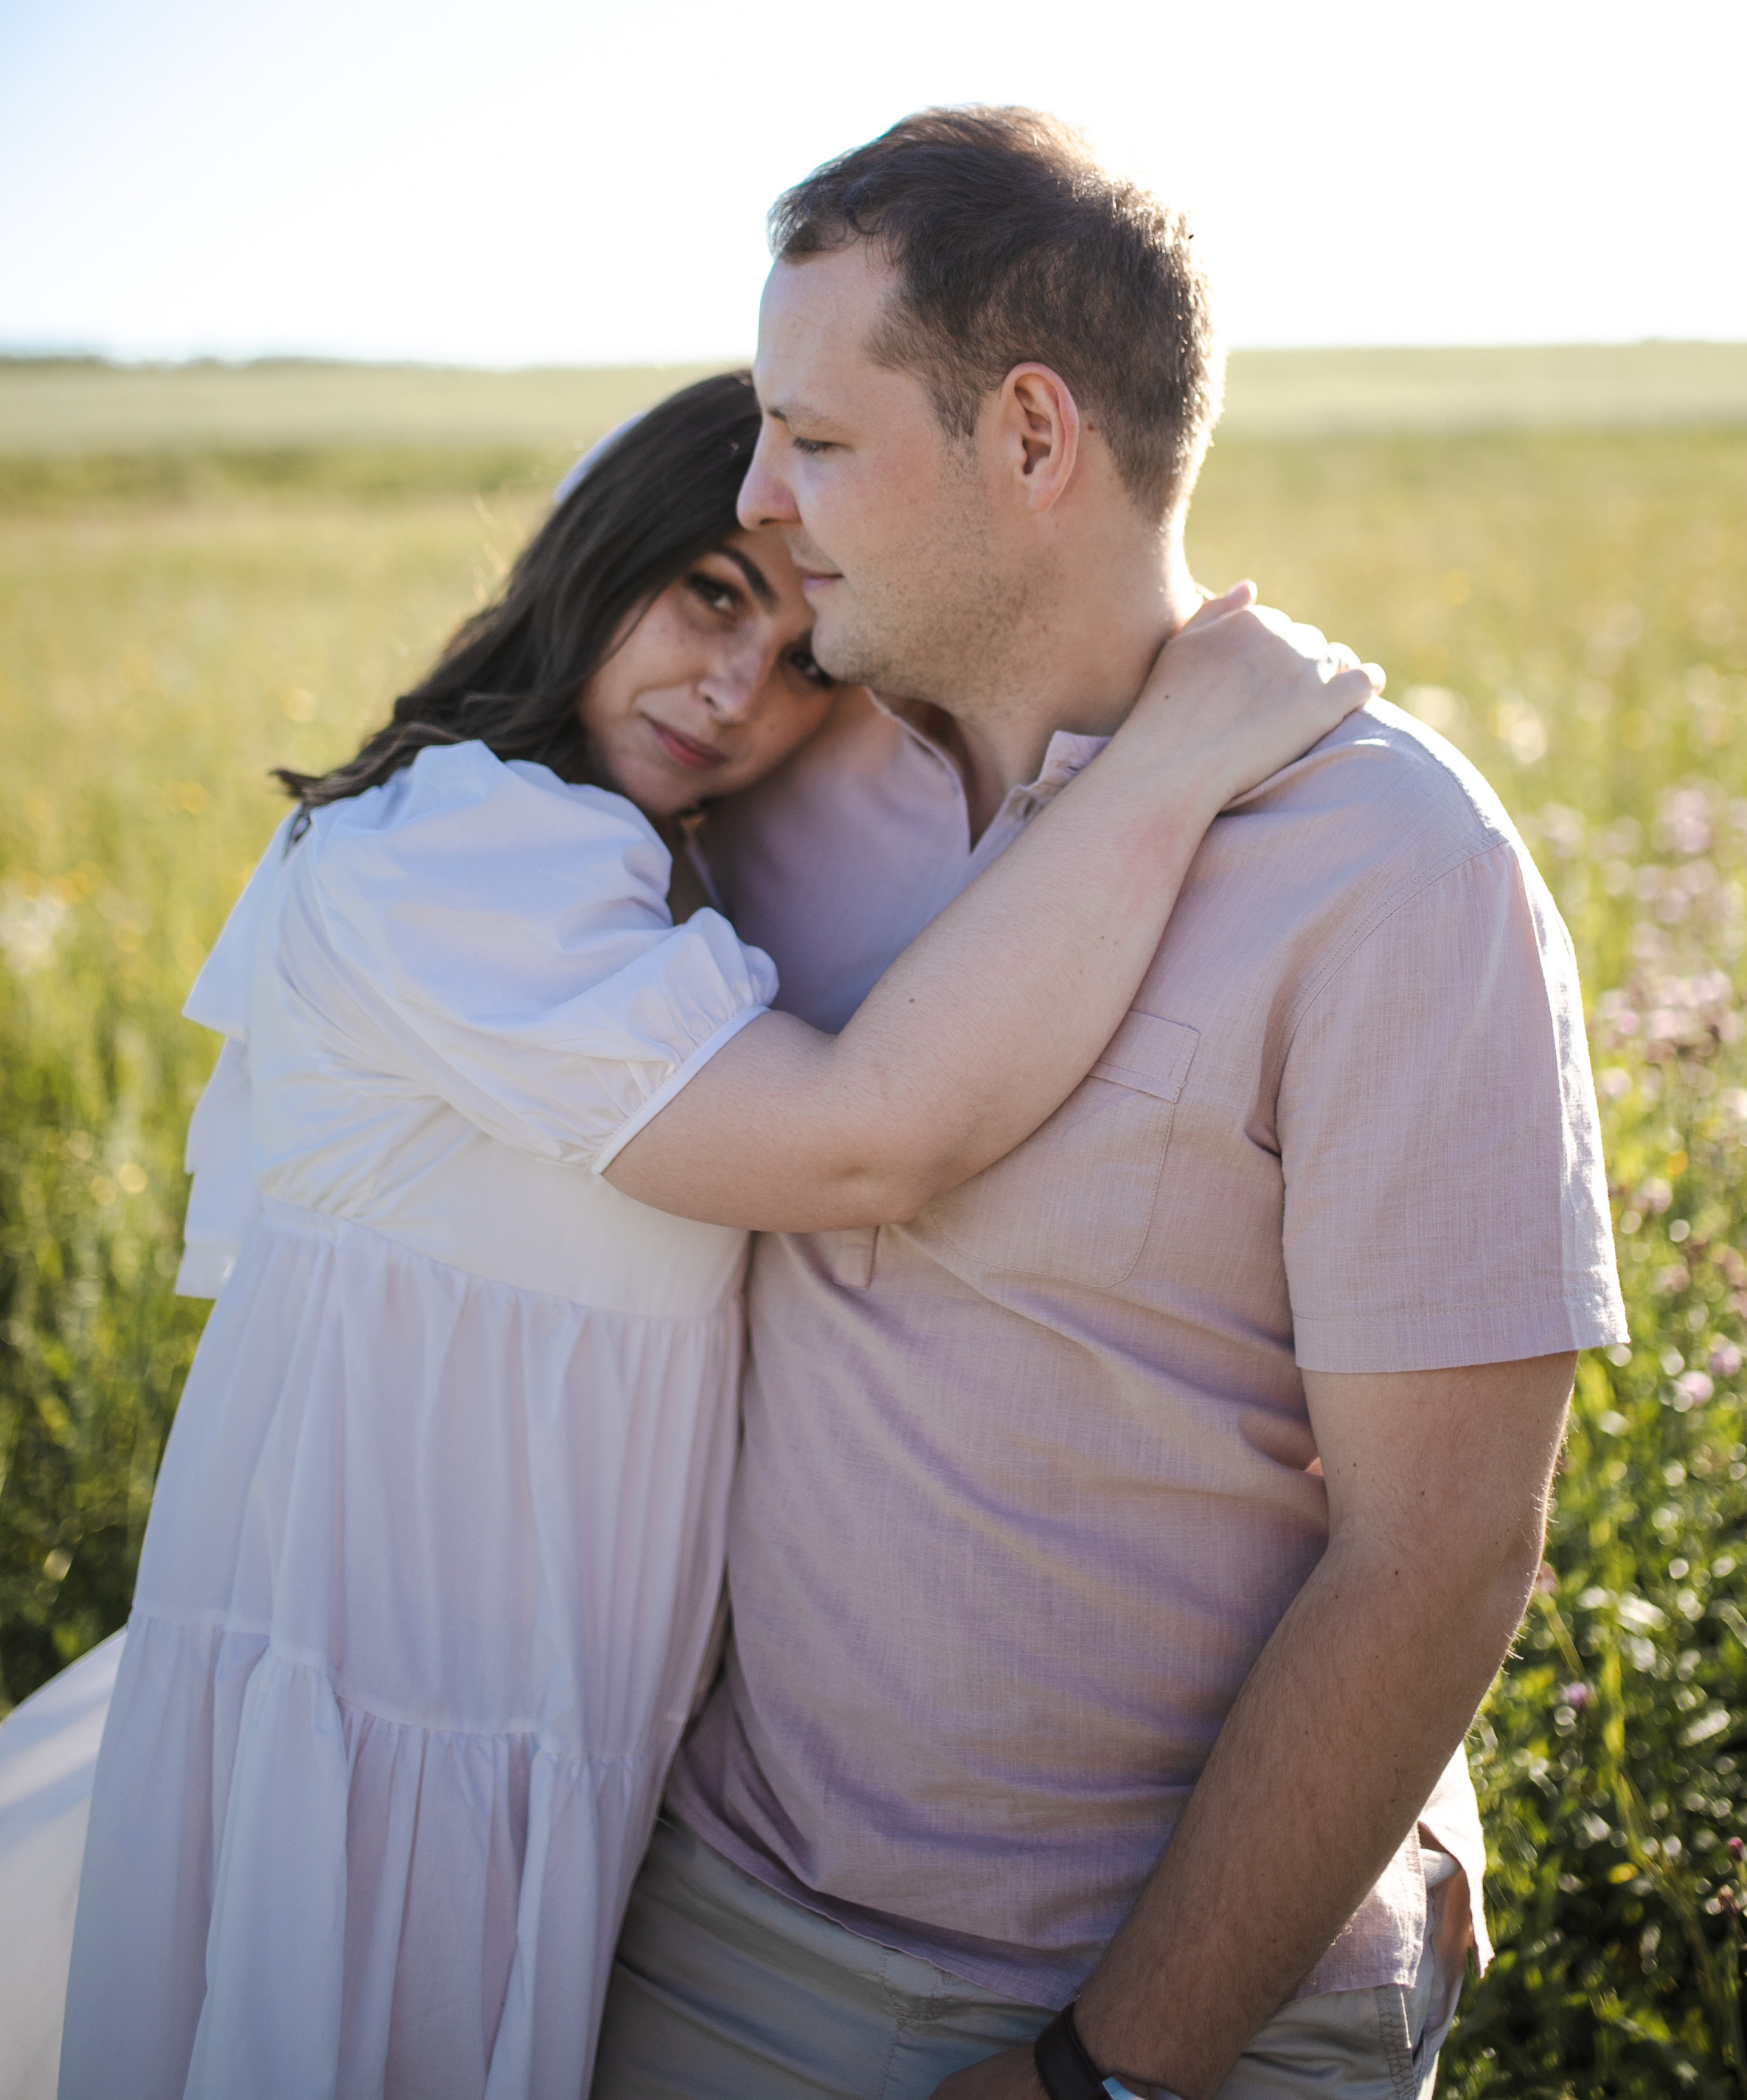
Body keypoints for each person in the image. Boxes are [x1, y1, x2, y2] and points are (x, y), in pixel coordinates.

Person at [52, 369, 1372, 2100]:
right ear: (599, 560)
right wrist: (1173, 755)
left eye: (803, 653)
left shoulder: (641, 864)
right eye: (708, 595)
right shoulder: (459, 851)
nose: (738, 687)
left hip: (554, 1736)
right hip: (392, 1718)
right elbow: (861, 1144)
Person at [592, 110, 1628, 2100]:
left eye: (815, 440)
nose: (757, 500)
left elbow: (1441, 1553)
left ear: (1037, 440)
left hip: (1203, 2012)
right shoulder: (760, 787)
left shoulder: (1392, 866)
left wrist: (1111, 2070)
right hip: (729, 1934)